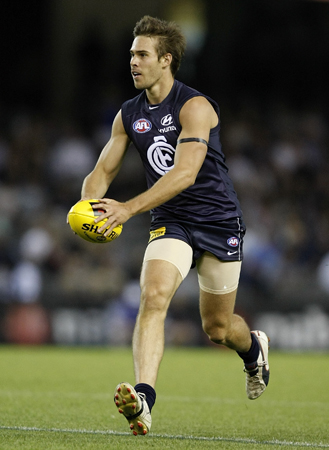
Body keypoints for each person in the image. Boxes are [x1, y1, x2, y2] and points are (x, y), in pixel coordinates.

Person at [79, 15, 270, 436]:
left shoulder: (195, 106)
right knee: (153, 295)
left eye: (142, 54)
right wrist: (88, 207)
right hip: (172, 221)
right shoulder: (128, 114)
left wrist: (127, 209)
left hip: (217, 221)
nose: (133, 62)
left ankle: (253, 348)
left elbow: (184, 173)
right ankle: (144, 398)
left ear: (166, 60)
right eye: (131, 54)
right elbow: (102, 171)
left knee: (218, 328)